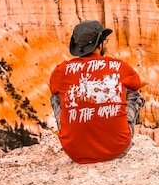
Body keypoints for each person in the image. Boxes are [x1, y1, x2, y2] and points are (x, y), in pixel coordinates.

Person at [49, 20, 145, 164]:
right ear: (100, 44)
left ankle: (76, 137)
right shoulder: (118, 66)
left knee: (56, 96)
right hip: (118, 149)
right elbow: (136, 84)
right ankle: (114, 132)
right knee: (133, 93)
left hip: (75, 153)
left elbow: (53, 87)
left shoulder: (61, 71)